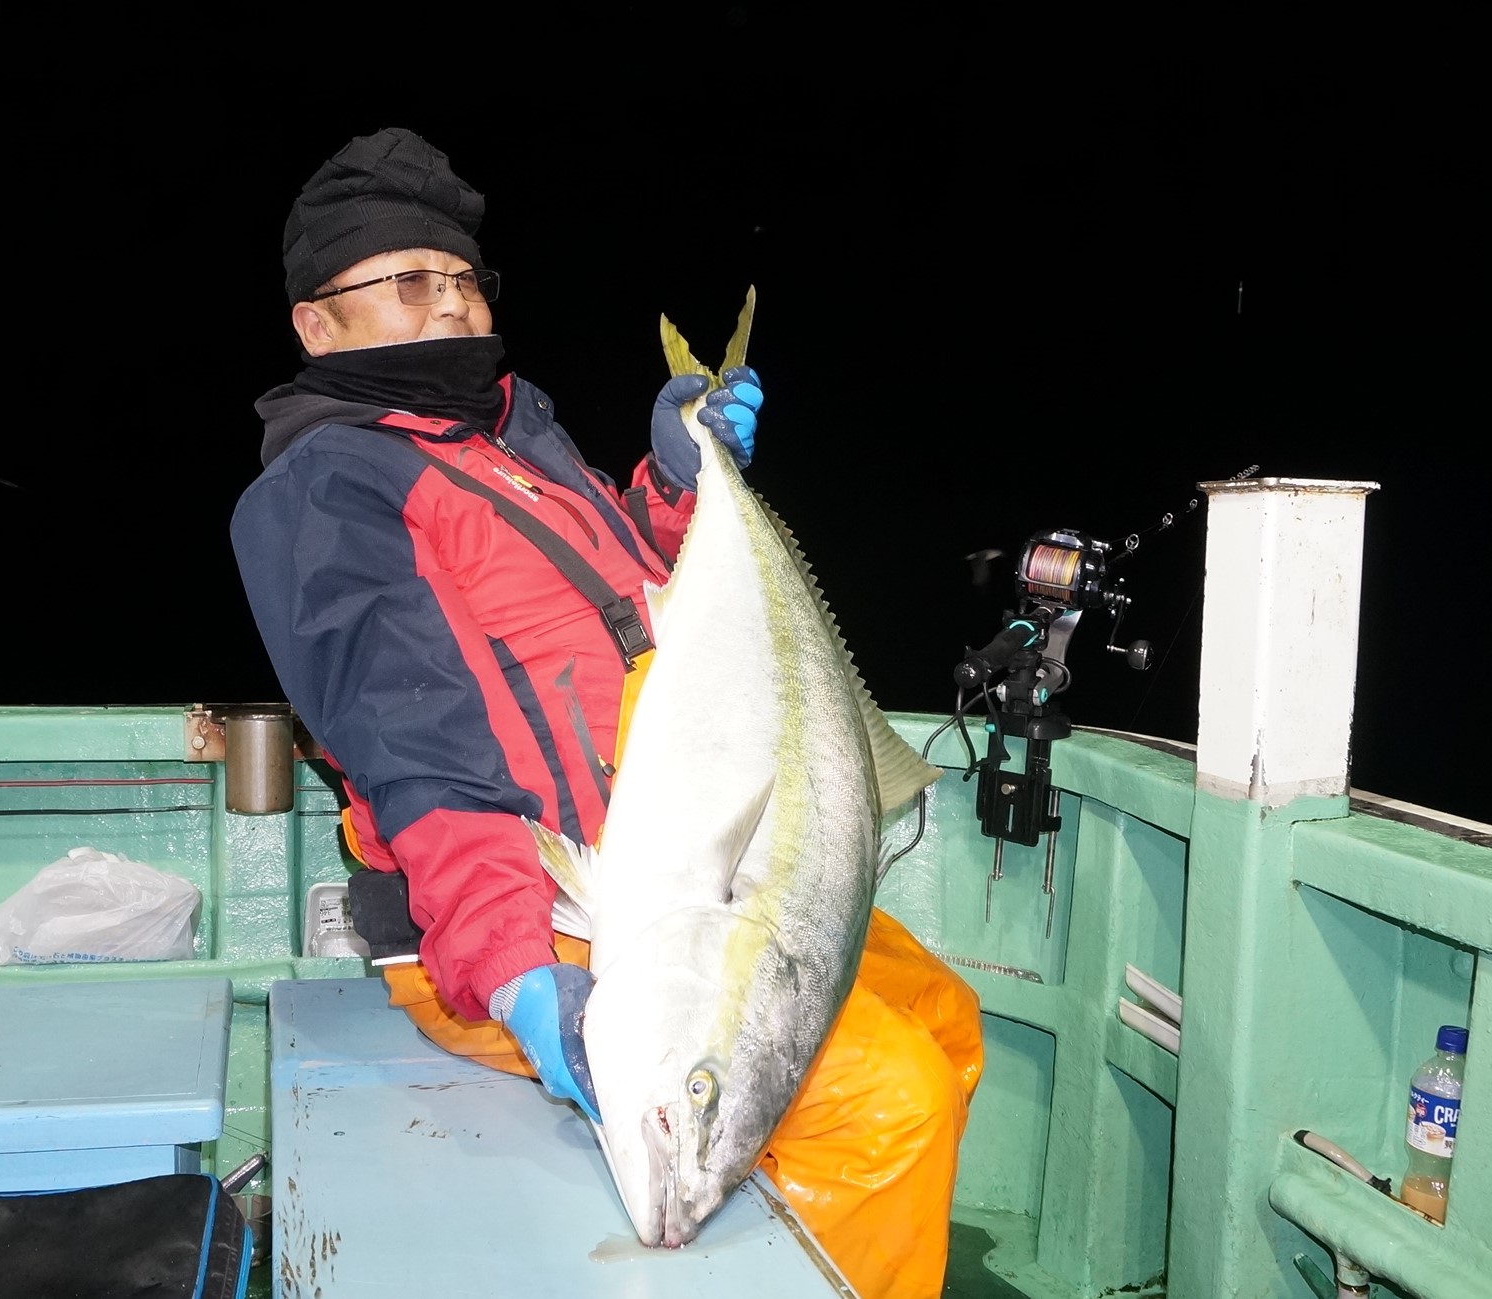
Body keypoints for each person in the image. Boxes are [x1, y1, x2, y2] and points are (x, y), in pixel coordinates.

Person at [231, 125, 984, 1299]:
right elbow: (415, 754)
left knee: (944, 1015)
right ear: (315, 326)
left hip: (662, 861)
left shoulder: (510, 439)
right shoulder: (329, 489)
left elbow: (630, 594)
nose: (450, 303)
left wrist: (679, 487)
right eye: (408, 282)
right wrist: (514, 971)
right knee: (890, 1104)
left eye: (464, 276)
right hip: (524, 913)